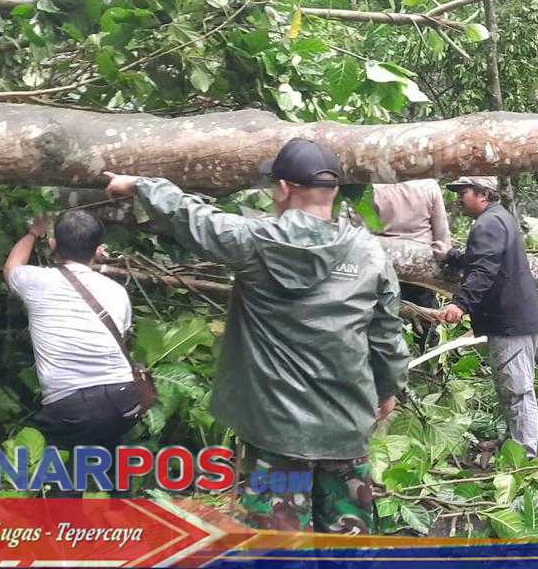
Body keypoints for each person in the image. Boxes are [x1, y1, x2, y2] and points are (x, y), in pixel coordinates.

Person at [102, 137, 409, 534]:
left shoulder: (253, 241)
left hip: (275, 428)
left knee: (279, 543)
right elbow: (387, 336)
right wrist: (387, 390)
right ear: (333, 191)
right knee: (349, 539)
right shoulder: (370, 253)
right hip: (346, 422)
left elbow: (193, 218)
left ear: (282, 189)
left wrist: (141, 185)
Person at [3, 211, 144, 476]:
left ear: (54, 244)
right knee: (111, 462)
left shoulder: (36, 281)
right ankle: (118, 496)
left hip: (69, 406)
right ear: (98, 249)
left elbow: (11, 266)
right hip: (122, 398)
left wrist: (33, 233)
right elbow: (122, 339)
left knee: (63, 478)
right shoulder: (117, 292)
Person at [436, 176, 538, 458]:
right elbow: (485, 257)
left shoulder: (489, 223)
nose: (459, 198)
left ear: (483, 194)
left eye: (464, 192)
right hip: (513, 317)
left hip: (511, 321)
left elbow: (485, 269)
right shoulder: (498, 217)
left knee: (517, 388)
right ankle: (513, 444)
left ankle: (525, 454)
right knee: (510, 385)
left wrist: (460, 304)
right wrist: (456, 257)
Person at [373, 179, 451, 346]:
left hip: (382, 263)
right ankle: (426, 354)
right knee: (426, 321)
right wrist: (445, 264)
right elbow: (442, 239)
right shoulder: (429, 186)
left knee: (384, 317)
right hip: (421, 266)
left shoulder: (373, 186)